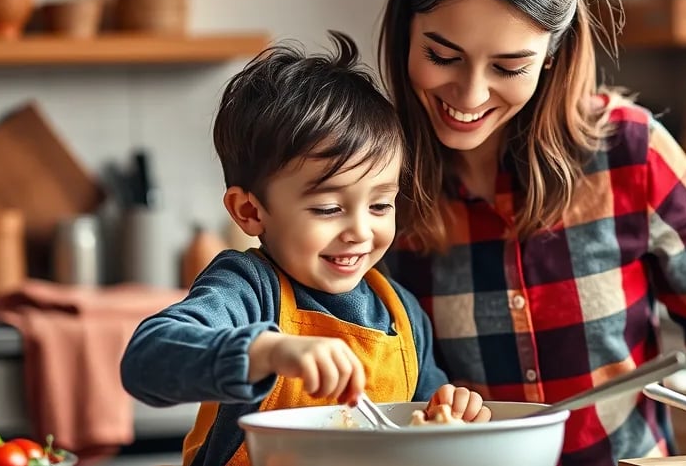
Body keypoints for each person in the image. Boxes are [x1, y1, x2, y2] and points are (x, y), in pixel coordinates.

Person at [377, 0, 686, 465]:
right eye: (442, 56)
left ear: (552, 55)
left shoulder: (629, 151)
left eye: (509, 68)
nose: (469, 95)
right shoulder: (373, 178)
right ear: (404, 34)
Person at [120, 31, 490, 466]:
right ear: (250, 211)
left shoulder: (402, 315)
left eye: (380, 204)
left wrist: (450, 415)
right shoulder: (247, 290)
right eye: (329, 208)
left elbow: (424, 434)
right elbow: (146, 360)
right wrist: (266, 351)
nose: (359, 231)